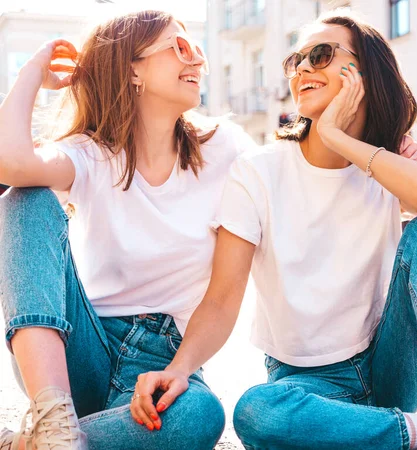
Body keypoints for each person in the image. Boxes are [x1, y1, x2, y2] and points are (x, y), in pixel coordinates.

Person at [132, 10, 417, 450]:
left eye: (320, 55)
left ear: (365, 73)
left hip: (389, 364)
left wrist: (339, 138)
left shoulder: (385, 160)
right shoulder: (257, 171)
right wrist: (180, 369)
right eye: (295, 61)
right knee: (256, 412)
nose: (302, 69)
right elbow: (222, 298)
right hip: (306, 384)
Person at [0, 10, 255, 450]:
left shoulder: (227, 149)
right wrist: (31, 73)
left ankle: (41, 443)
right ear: (132, 67)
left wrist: (180, 368)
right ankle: (53, 413)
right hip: (76, 350)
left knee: (200, 415)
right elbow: (12, 163)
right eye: (179, 47)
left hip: (166, 359)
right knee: (24, 197)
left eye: (197, 50)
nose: (196, 61)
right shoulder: (91, 154)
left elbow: (225, 294)